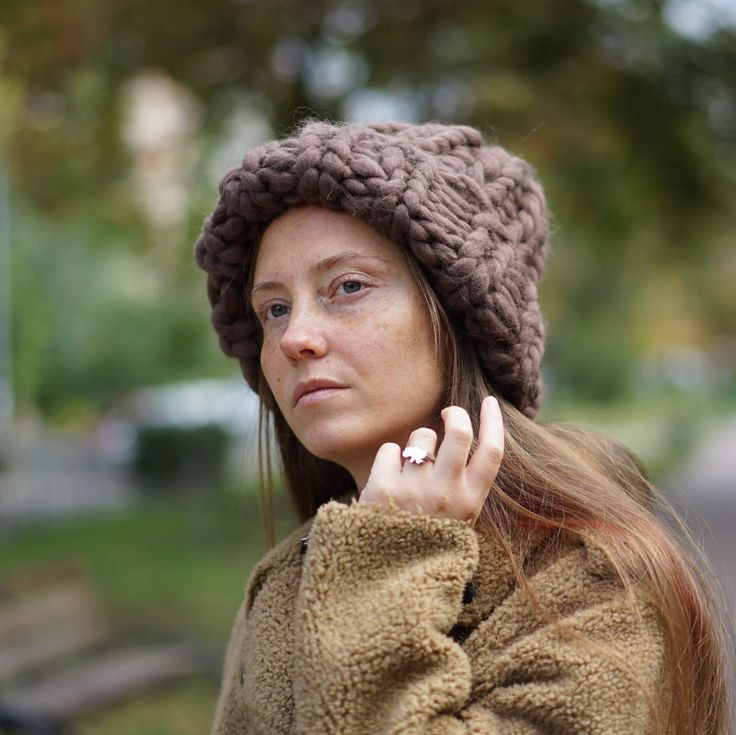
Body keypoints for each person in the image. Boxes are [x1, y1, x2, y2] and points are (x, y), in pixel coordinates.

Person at [195, 120, 729, 735]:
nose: (295, 338)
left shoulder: (592, 580)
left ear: (459, 316)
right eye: (275, 308)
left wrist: (389, 559)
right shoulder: (290, 573)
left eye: (348, 287)